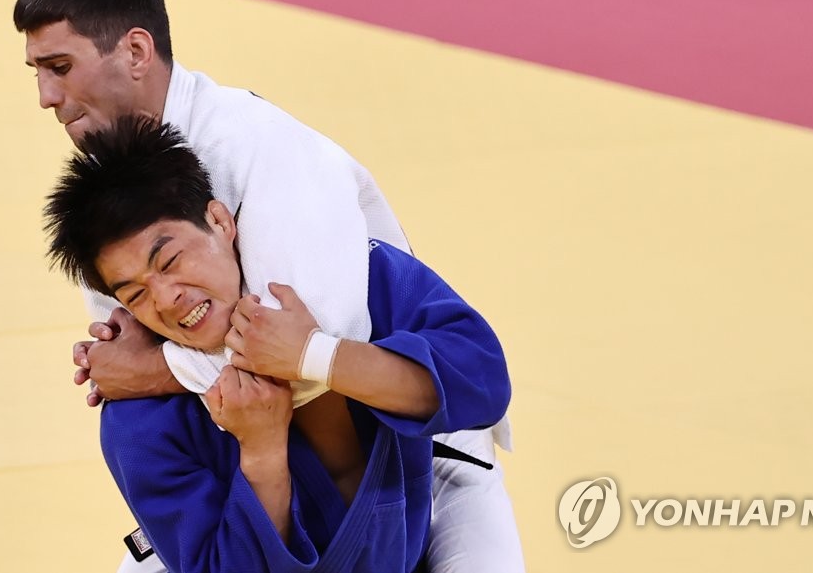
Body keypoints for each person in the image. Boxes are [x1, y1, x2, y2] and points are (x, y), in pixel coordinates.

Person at [15, 0, 523, 572]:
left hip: (417, 437)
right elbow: (142, 356)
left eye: (60, 66)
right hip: (255, 471)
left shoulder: (259, 148)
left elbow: (301, 353)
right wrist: (175, 392)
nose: (44, 96)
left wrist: (157, 373)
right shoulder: (111, 207)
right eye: (135, 290)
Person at [42, 117, 512, 572]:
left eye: (170, 260)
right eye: (135, 294)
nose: (166, 300)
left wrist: (317, 355)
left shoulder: (350, 276)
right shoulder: (138, 421)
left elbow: (483, 382)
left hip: (429, 518)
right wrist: (262, 452)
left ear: (220, 221)